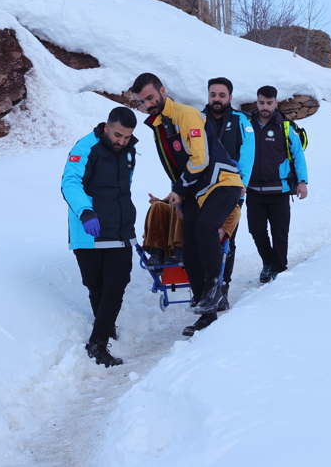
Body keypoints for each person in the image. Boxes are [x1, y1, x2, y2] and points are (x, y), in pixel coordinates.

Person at [130, 73, 243, 335]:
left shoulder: (186, 114)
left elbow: (200, 159)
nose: (147, 104)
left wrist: (179, 190)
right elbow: (175, 167)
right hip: (194, 192)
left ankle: (214, 290)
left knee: (206, 228)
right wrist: (177, 193)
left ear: (162, 90)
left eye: (150, 97)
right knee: (189, 251)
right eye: (142, 101)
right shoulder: (160, 124)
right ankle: (207, 314)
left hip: (222, 183)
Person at [60, 106, 139, 367]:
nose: (122, 141)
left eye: (127, 137)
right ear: (107, 126)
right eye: (118, 135)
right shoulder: (86, 147)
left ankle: (98, 342)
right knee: (96, 287)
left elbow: (121, 190)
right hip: (89, 230)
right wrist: (85, 212)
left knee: (116, 286)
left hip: (119, 231)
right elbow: (70, 182)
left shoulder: (128, 151)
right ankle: (105, 326)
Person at [201, 77, 254, 309]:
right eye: (213, 94)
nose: (217, 99)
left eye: (222, 95)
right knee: (202, 237)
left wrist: (242, 184)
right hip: (203, 191)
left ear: (230, 98)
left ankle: (222, 288)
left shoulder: (242, 121)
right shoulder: (198, 119)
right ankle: (205, 286)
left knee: (225, 239)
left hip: (232, 190)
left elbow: (248, 155)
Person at [246, 85, 308, 283]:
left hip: (279, 190)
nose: (265, 107)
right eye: (261, 102)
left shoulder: (286, 127)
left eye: (269, 103)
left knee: (279, 232)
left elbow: (298, 156)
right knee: (256, 231)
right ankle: (268, 262)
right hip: (253, 189)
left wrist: (302, 182)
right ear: (257, 102)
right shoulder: (247, 125)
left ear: (276, 103)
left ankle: (279, 268)